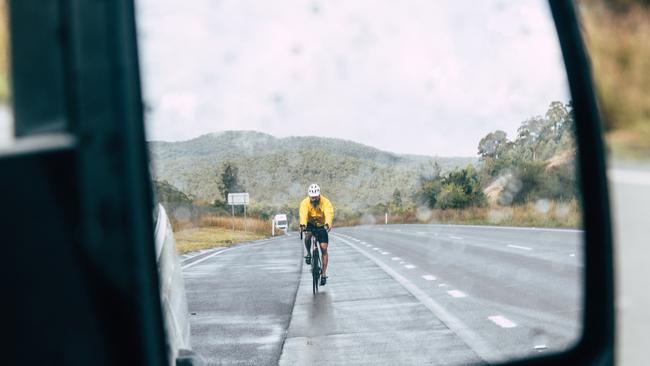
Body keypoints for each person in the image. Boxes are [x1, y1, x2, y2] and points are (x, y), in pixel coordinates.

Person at [299, 183, 334, 286]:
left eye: (316, 197)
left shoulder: (325, 202)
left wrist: (328, 223)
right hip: (309, 224)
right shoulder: (304, 203)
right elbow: (303, 214)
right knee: (308, 235)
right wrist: (302, 225)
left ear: (319, 195)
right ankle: (309, 254)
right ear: (309, 196)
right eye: (312, 197)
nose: (314, 199)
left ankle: (323, 274)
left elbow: (328, 212)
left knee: (323, 248)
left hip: (321, 225)